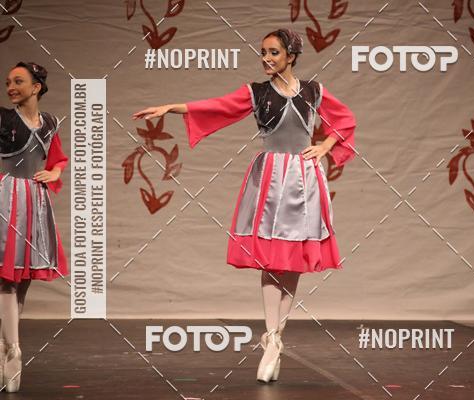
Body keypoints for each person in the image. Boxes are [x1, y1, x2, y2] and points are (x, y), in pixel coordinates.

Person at [132, 28, 356, 383]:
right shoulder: (257, 93)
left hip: (303, 178)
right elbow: (216, 107)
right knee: (270, 259)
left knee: (293, 260)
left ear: (291, 56)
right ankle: (271, 336)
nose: (266, 58)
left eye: (274, 52)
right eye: (263, 52)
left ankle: (276, 337)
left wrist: (326, 147)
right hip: (270, 179)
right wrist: (172, 107)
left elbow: (344, 121)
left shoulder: (314, 91)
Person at [0, 61, 69, 392]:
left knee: (23, 276)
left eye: (18, 81)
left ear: (36, 87)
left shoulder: (50, 123)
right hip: (6, 199)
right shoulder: (3, 119)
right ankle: (13, 350)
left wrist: (54, 173)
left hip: (34, 201)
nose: (11, 87)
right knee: (6, 278)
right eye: (8, 82)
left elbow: (58, 158)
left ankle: (5, 345)